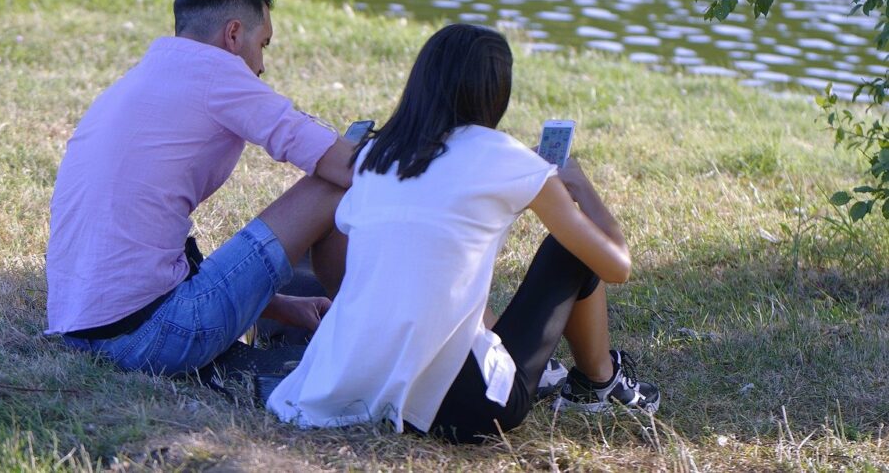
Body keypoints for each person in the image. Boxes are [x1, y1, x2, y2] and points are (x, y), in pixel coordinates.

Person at [267, 23, 659, 443]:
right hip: (466, 408)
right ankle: (599, 383)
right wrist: (582, 188)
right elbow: (617, 266)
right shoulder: (506, 156)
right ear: (496, 93)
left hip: (351, 384)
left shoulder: (374, 156)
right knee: (569, 251)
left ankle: (582, 380)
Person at [45, 0, 356, 377]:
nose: (262, 65)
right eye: (263, 44)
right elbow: (342, 166)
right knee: (330, 188)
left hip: (83, 330)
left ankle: (344, 327)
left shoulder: (144, 76)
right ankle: (358, 337)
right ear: (232, 35)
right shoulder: (218, 71)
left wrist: (281, 307)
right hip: (146, 339)